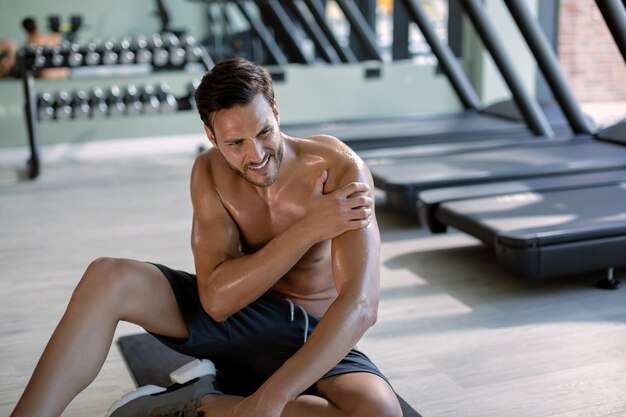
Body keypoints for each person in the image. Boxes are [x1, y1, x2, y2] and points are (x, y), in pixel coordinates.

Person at [10, 58, 402, 417]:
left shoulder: (338, 168)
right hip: (237, 319)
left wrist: (271, 400)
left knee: (379, 413)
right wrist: (308, 228)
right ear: (211, 136)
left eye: (265, 131)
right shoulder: (209, 173)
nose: (257, 155)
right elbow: (216, 301)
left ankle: (208, 403)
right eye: (235, 143)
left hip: (309, 336)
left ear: (277, 112)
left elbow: (362, 305)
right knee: (106, 277)